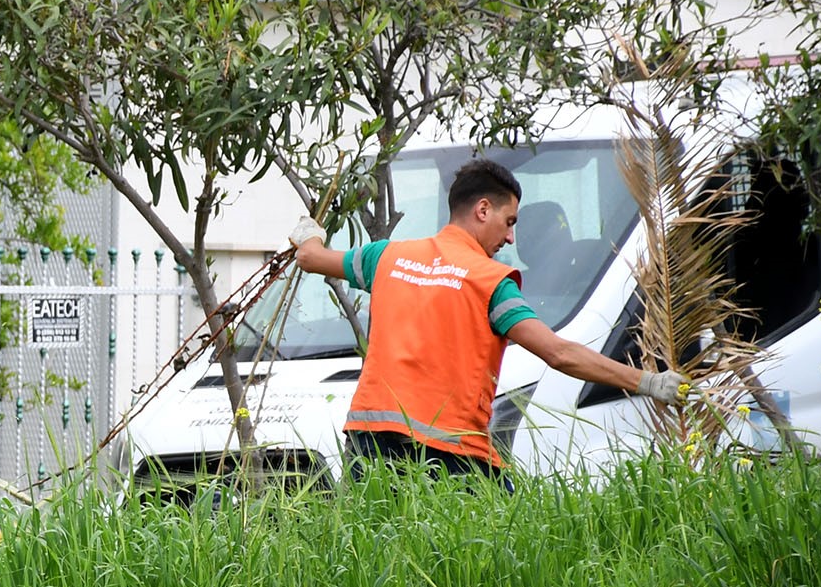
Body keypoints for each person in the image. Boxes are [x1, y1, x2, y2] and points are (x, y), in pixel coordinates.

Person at [287, 157, 688, 481]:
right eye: (509, 221)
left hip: (368, 444)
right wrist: (647, 381)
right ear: (483, 210)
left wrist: (309, 233)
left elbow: (310, 258)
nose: (511, 237)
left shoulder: (387, 257)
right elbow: (559, 353)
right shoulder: (490, 281)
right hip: (446, 453)